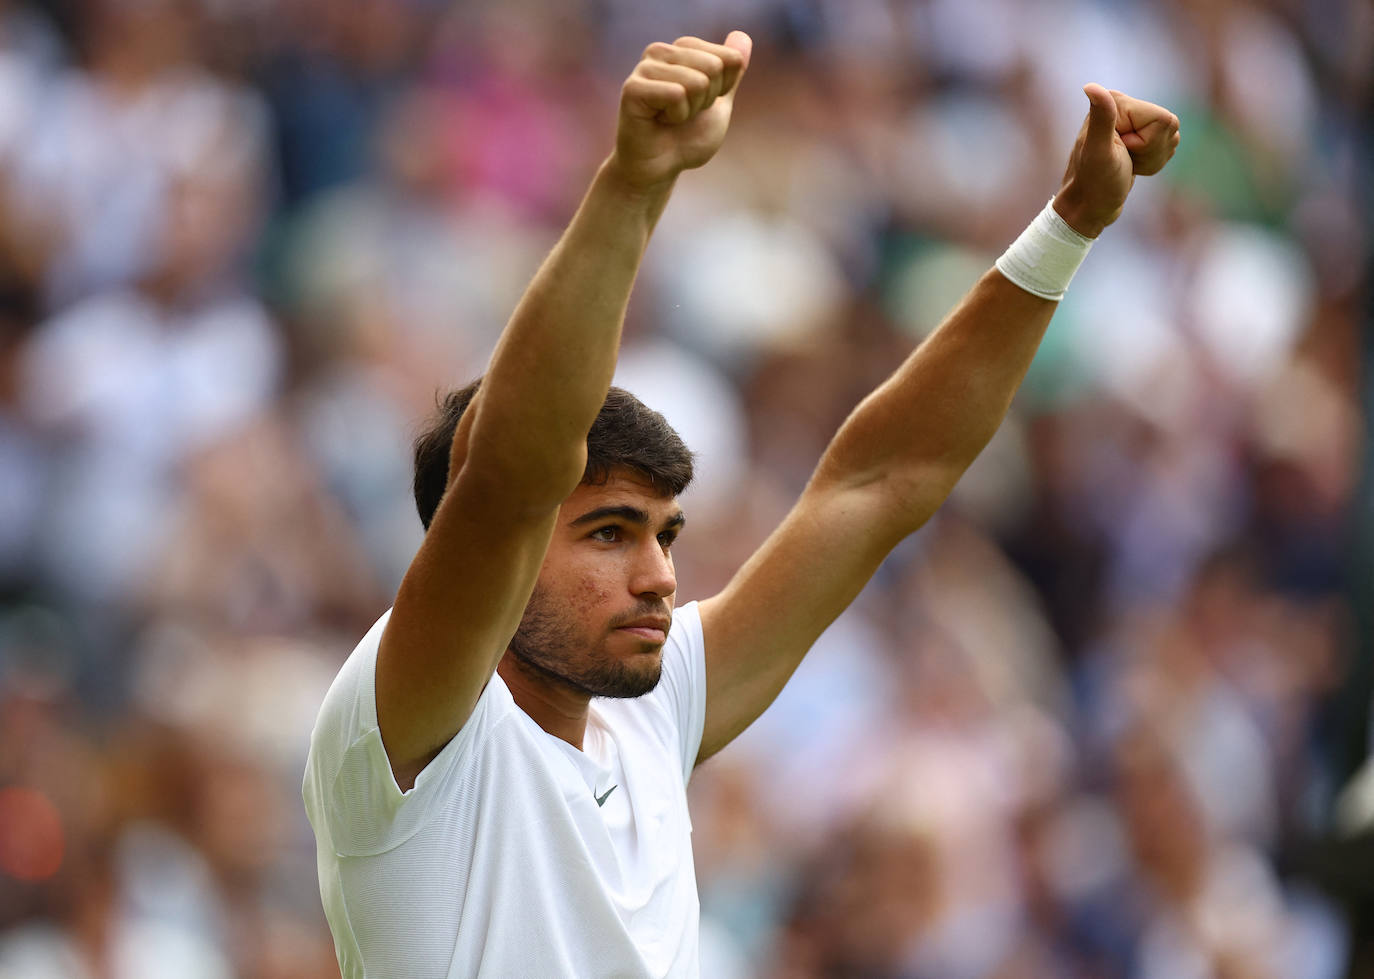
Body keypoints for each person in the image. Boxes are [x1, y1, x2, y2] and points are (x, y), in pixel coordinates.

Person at [302, 29, 1180, 978]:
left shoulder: (647, 700)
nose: (660, 577)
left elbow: (881, 481)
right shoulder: (410, 724)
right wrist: (633, 186)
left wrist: (1072, 225)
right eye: (607, 532)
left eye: (664, 535)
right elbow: (512, 474)